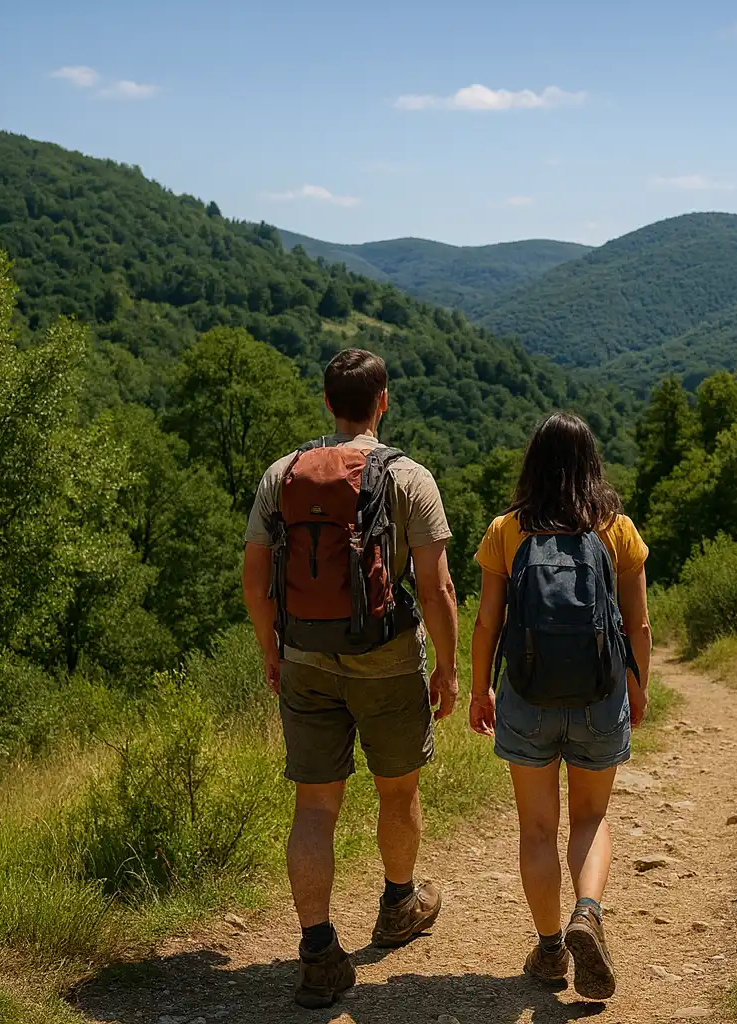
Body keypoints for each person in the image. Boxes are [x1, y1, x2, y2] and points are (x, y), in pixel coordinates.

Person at [241, 348, 460, 1009]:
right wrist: (449, 667)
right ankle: (398, 903)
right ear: (383, 401)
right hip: (386, 659)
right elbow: (437, 584)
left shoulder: (281, 475)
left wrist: (271, 650)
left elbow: (254, 578)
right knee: (397, 791)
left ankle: (316, 950)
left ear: (326, 402)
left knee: (314, 806)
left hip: (304, 654)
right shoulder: (408, 477)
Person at [469, 411, 653, 1000]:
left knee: (538, 827)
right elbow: (638, 622)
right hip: (601, 694)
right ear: (591, 464)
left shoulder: (506, 530)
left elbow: (487, 623)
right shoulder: (616, 529)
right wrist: (640, 684)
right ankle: (588, 913)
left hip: (526, 695)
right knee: (591, 818)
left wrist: (479, 688)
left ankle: (550, 949)